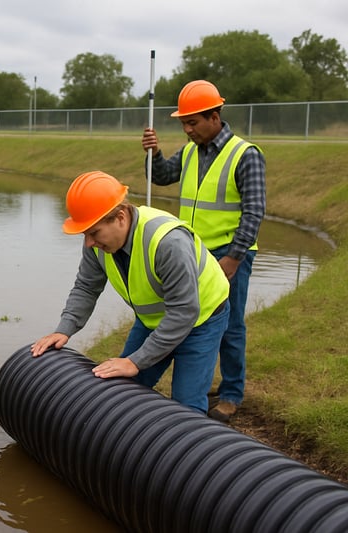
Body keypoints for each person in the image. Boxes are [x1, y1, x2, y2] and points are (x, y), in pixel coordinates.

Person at [31, 171, 231, 414]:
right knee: (120, 389)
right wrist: (64, 329)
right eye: (85, 234)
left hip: (202, 319)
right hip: (154, 321)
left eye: (94, 232)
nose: (88, 243)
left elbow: (184, 312)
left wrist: (136, 361)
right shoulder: (97, 247)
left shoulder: (168, 243)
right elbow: (86, 287)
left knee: (185, 407)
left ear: (121, 217)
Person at [141, 80, 267, 423]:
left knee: (230, 322)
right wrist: (154, 154)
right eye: (183, 123)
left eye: (193, 122)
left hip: (230, 252)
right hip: (194, 251)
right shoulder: (192, 151)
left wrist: (233, 258)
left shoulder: (246, 155)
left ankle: (230, 393)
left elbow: (254, 211)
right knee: (194, 316)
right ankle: (198, 380)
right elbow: (164, 176)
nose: (187, 129)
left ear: (214, 116)